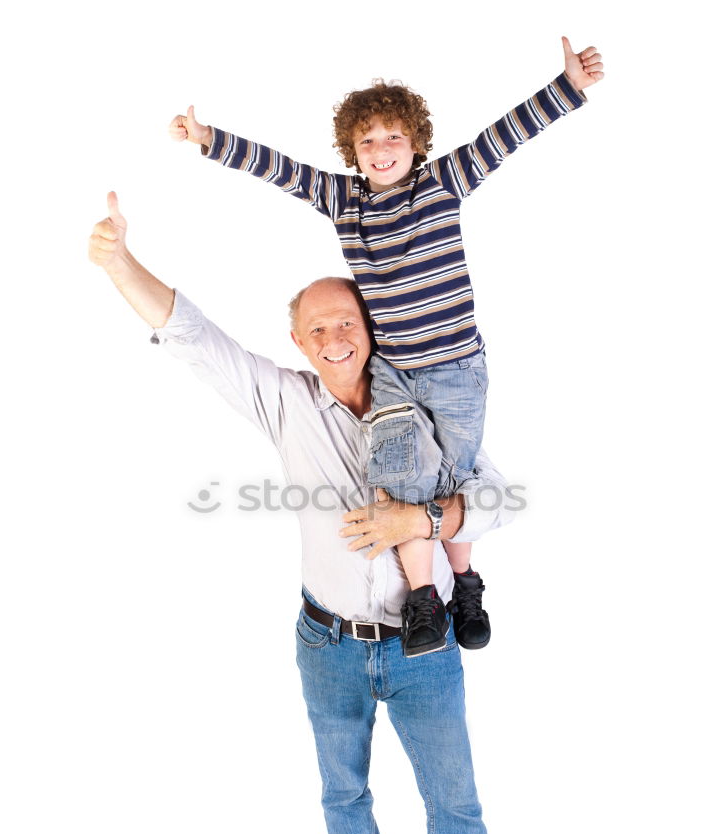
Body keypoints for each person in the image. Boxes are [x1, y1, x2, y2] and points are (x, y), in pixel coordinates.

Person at [89, 194, 527, 834]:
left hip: (426, 647)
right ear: (298, 339)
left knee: (452, 792)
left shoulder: (424, 404)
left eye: (347, 322)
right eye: (318, 327)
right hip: (328, 644)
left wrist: (415, 522)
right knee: (342, 785)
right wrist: (117, 260)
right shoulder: (286, 404)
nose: (334, 337)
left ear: (371, 329)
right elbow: (193, 337)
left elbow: (497, 499)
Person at [168, 36, 604, 657]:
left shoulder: (444, 183)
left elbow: (502, 138)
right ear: (352, 152)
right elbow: (278, 168)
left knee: (457, 475)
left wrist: (566, 88)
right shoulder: (343, 201)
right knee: (399, 472)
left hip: (456, 368)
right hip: (395, 370)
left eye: (393, 137)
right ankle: (424, 599)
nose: (380, 150)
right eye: (366, 141)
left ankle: (468, 586)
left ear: (416, 144)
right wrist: (209, 139)